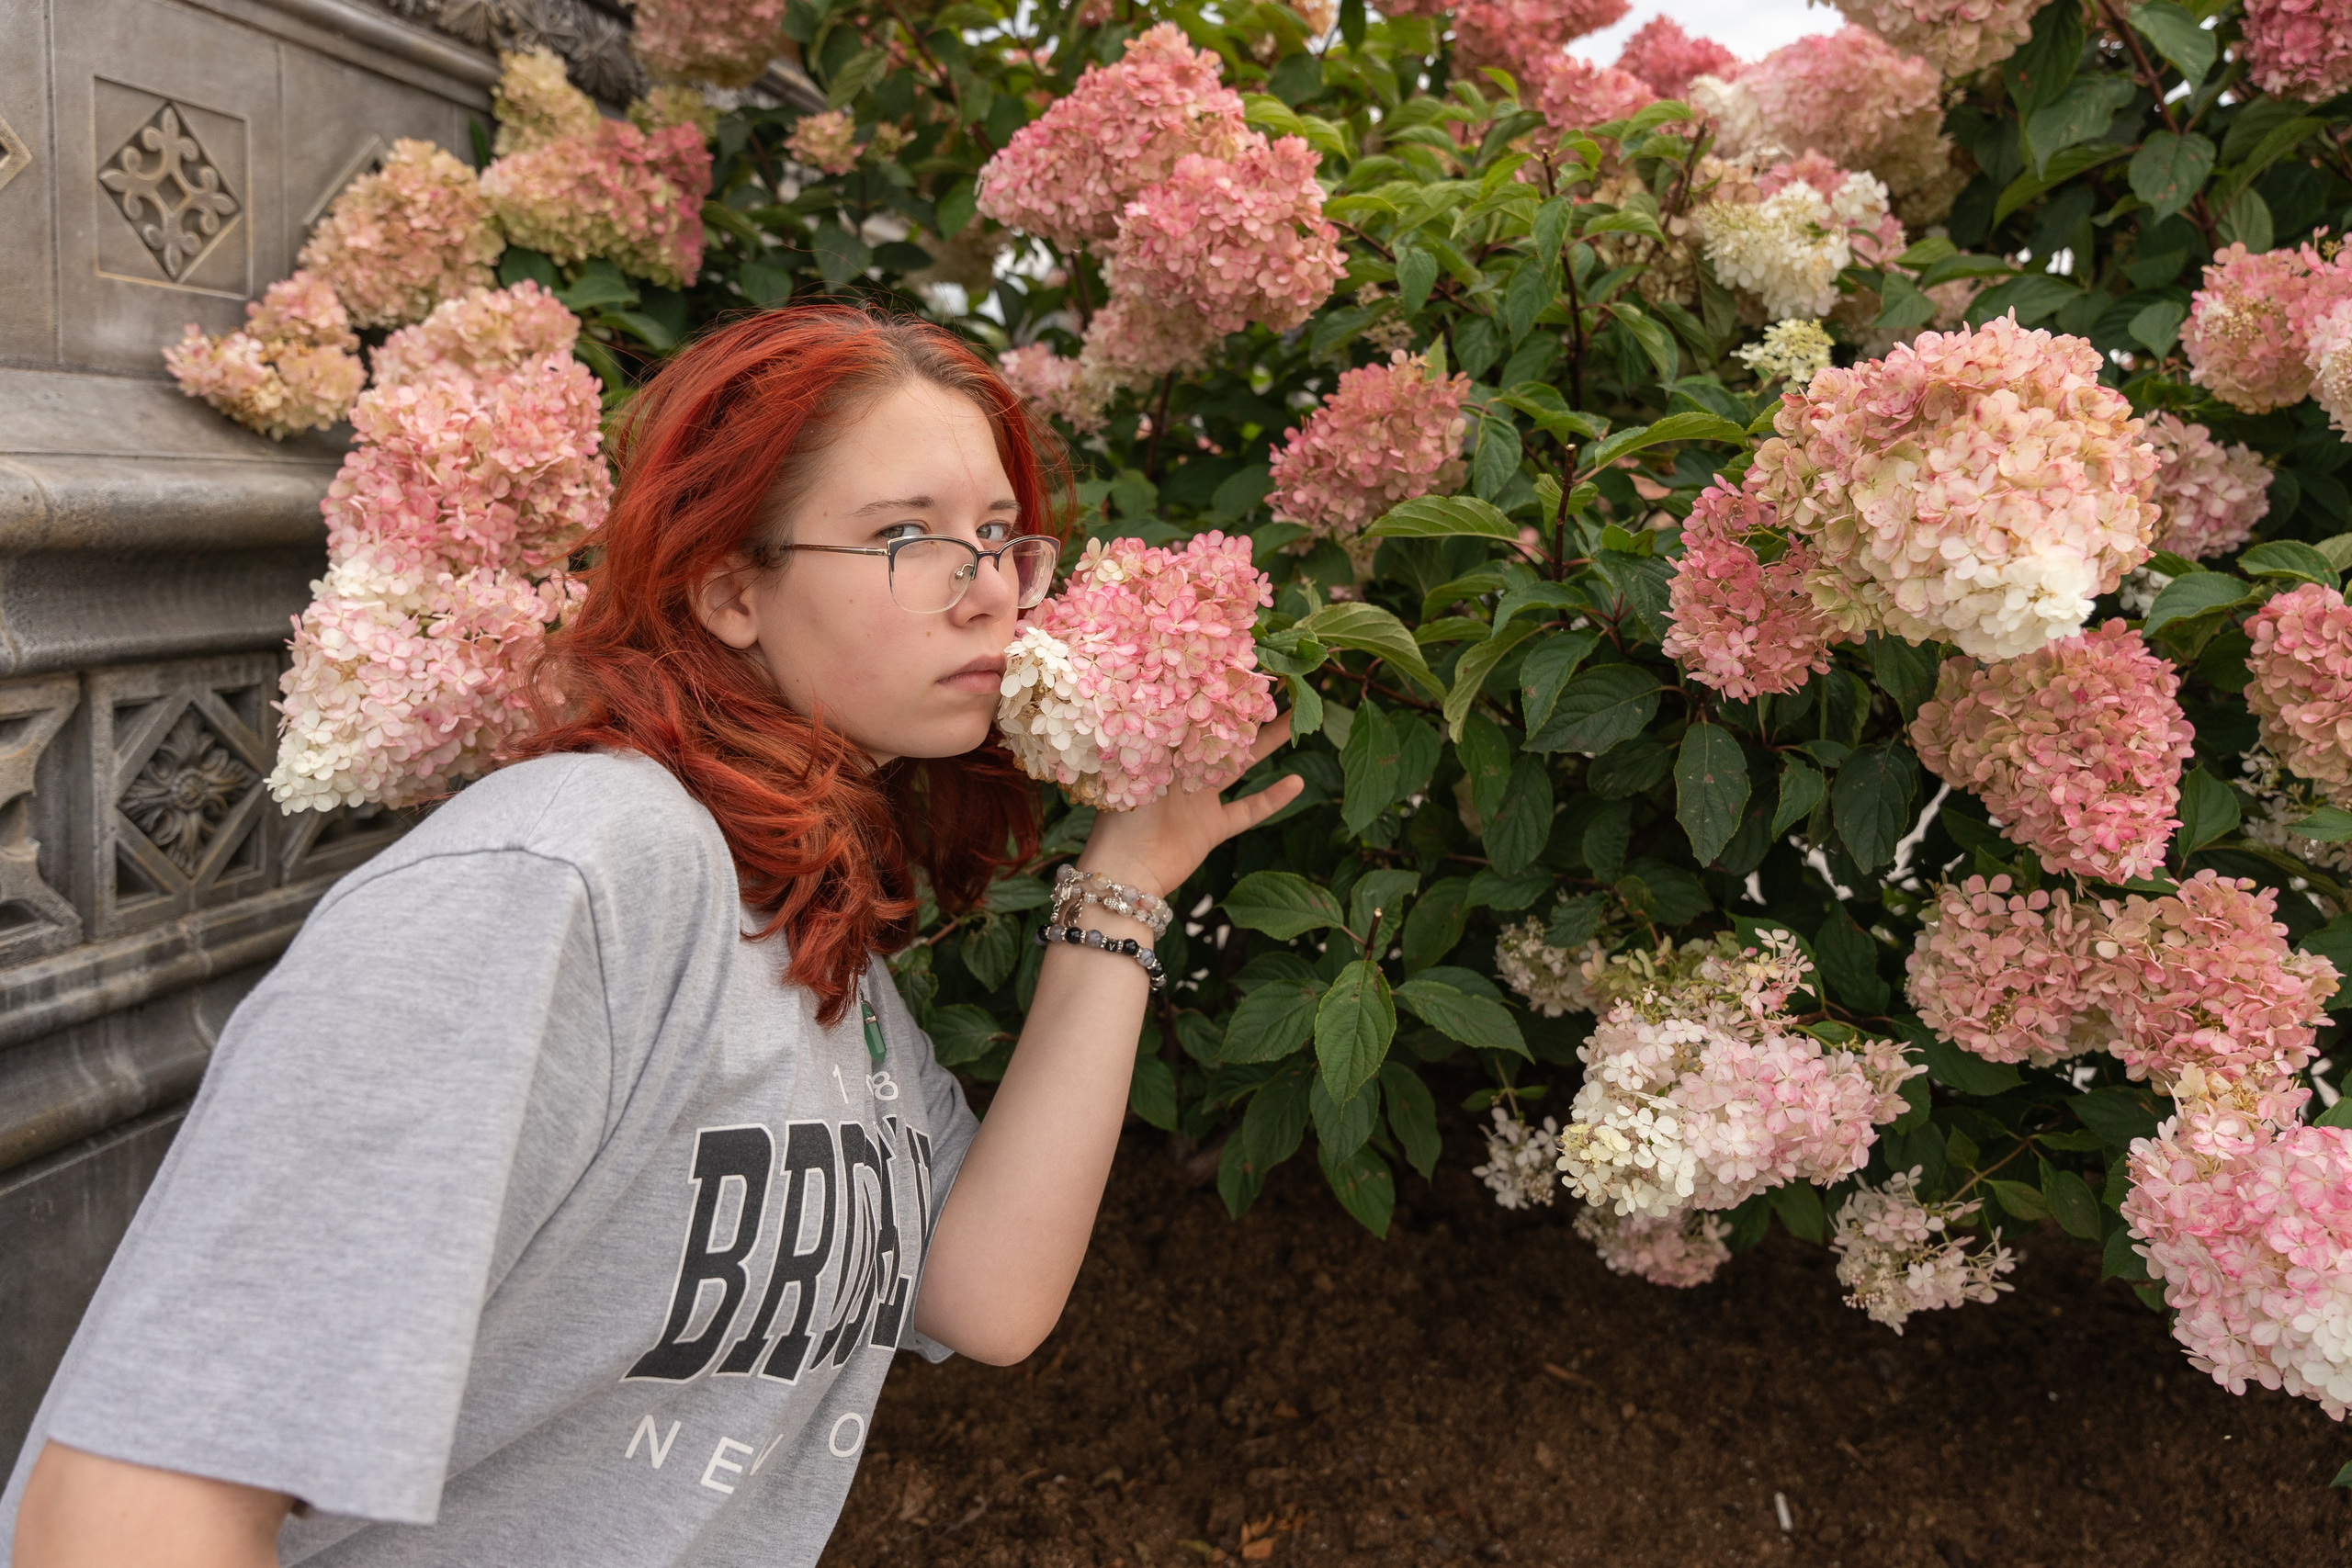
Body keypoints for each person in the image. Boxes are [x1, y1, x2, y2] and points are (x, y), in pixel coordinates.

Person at [3, 305, 1302, 1567]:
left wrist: (1125, 882)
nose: (988, 595)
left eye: (1000, 536)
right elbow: (129, 1513)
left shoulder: (794, 914)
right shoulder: (559, 880)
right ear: (733, 589)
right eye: (907, 534)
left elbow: (984, 1294)